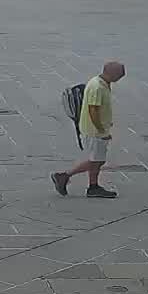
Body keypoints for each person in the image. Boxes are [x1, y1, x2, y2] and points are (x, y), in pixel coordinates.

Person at [53, 60, 125, 199]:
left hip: (95, 130)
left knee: (97, 159)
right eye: (119, 76)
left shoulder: (98, 82)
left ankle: (93, 186)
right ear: (112, 74)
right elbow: (93, 110)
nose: (119, 79)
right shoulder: (97, 87)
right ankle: (64, 176)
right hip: (94, 131)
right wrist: (100, 130)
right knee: (95, 160)